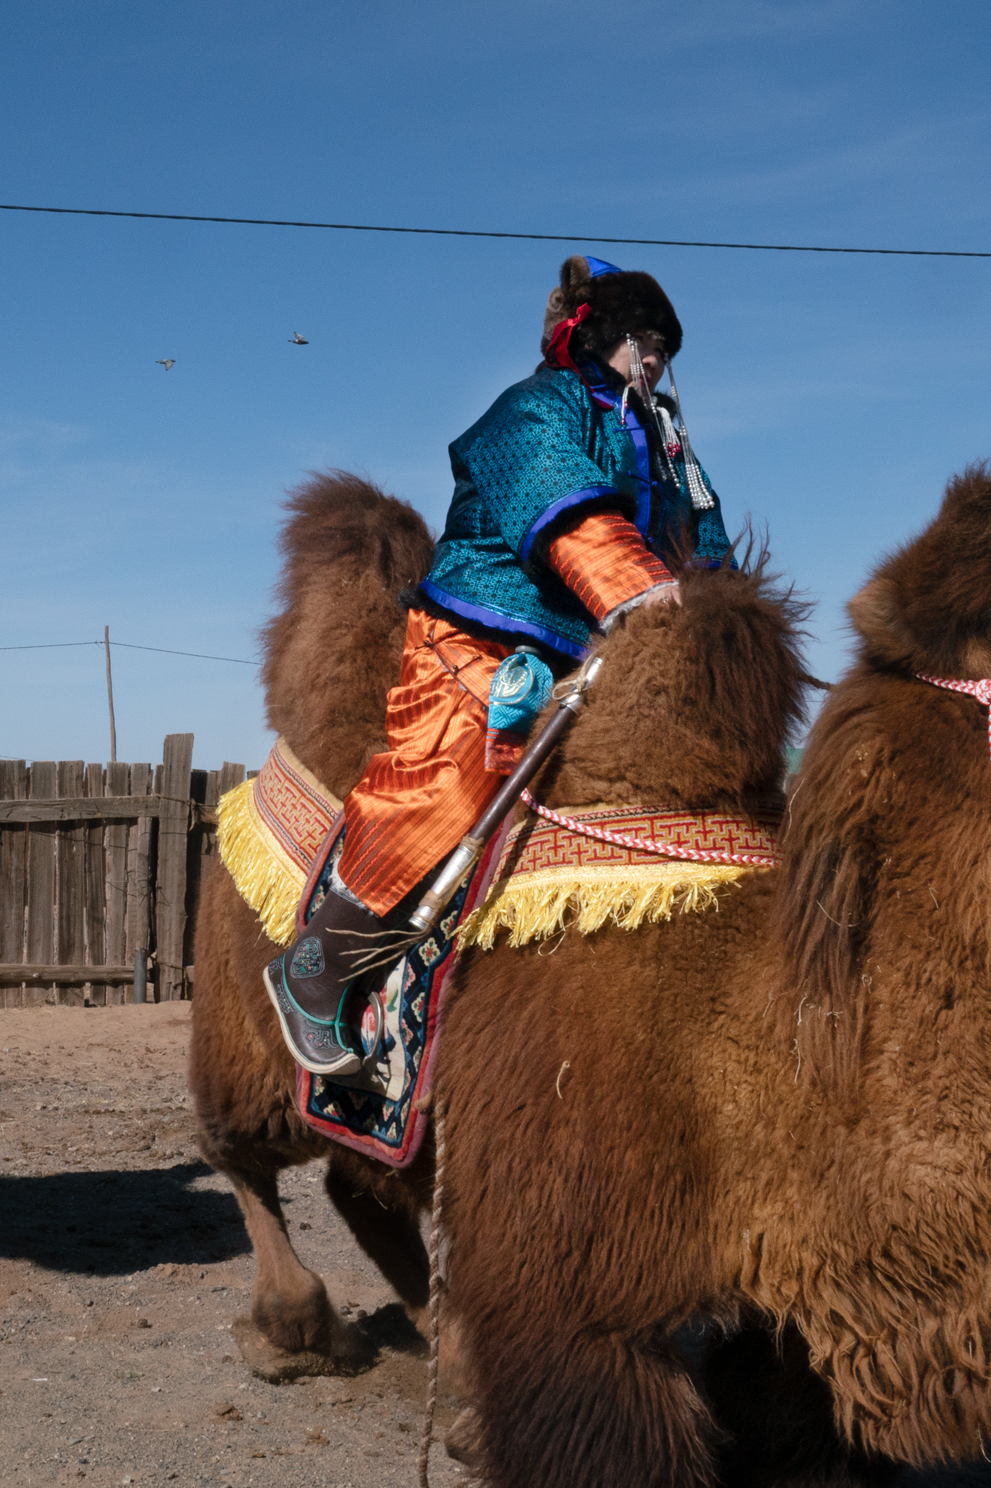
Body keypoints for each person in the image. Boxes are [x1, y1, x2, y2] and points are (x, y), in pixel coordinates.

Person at [266, 256, 733, 1076]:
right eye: (648, 342)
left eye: (667, 348)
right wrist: (654, 601)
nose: (659, 360)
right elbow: (575, 523)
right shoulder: (532, 411)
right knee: (456, 777)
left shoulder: (668, 446)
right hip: (481, 642)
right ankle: (319, 967)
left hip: (603, 653)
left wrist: (725, 624)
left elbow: (706, 540)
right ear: (606, 336)